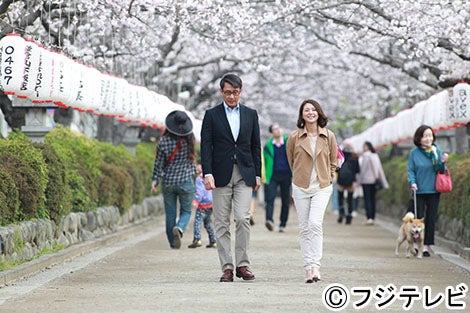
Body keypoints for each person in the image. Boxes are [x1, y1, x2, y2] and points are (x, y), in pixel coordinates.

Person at [200, 73, 261, 282]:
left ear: (241, 91)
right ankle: (226, 267)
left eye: (235, 92)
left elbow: (255, 145)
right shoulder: (212, 115)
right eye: (228, 92)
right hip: (219, 174)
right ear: (221, 92)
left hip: (245, 172)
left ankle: (243, 264)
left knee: (243, 218)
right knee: (222, 222)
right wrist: (207, 173)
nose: (232, 97)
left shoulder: (251, 114)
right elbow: (206, 146)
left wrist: (258, 174)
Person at [286, 99, 338, 283]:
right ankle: (308, 268)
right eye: (306, 110)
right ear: (302, 115)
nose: (310, 113)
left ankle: (316, 266)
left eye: (313, 110)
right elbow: (291, 160)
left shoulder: (329, 136)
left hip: (322, 187)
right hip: (301, 187)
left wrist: (329, 176)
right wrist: (300, 176)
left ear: (319, 113)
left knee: (315, 224)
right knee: (304, 228)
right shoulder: (294, 137)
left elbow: (334, 159)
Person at [151, 110, 197, 249]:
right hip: (185, 181)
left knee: (170, 213)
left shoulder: (163, 141)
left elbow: (158, 163)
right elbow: (192, 159)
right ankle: (180, 227)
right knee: (186, 211)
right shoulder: (190, 139)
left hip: (169, 182)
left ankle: (173, 242)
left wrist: (155, 181)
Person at [407, 125, 448, 257]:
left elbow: (440, 170)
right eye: (425, 136)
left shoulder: (436, 151)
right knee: (417, 219)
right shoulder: (414, 153)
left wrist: (442, 162)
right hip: (418, 190)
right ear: (419, 138)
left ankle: (426, 246)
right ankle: (414, 244)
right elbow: (411, 170)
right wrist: (412, 182)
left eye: (430, 135)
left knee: (430, 218)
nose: (428, 138)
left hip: (434, 190)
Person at [263, 123, 292, 232]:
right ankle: (269, 220)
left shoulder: (288, 143)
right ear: (271, 133)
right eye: (275, 129)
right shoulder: (268, 146)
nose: (278, 130)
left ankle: (282, 224)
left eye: (279, 128)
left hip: (286, 174)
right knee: (270, 198)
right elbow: (264, 162)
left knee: (285, 200)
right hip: (272, 175)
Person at [358, 141, 389, 225]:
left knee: (367, 199)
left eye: (364, 146)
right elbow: (379, 170)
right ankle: (373, 217)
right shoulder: (375, 156)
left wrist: (359, 181)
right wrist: (382, 181)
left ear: (367, 147)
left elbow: (363, 170)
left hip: (366, 181)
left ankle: (369, 217)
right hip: (374, 181)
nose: (363, 148)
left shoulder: (365, 156)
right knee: (373, 199)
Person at [188, 162, 217, 249]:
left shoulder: (199, 178)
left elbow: (200, 191)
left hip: (202, 204)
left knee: (197, 222)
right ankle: (213, 241)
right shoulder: (211, 176)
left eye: (198, 165)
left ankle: (197, 239)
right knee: (208, 223)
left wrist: (196, 201)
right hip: (210, 204)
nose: (196, 167)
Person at [336, 143, 360, 225]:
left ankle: (341, 212)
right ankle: (349, 216)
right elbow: (357, 170)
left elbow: (336, 168)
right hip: (351, 181)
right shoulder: (355, 157)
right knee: (350, 199)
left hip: (341, 180)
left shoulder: (339, 156)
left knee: (340, 198)